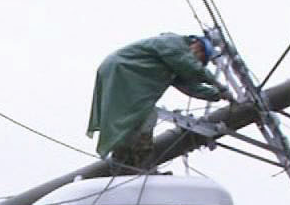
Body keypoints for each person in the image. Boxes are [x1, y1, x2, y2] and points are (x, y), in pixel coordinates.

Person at [86, 33, 226, 169]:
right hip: (124, 69)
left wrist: (217, 94)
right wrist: (218, 84)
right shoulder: (174, 42)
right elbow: (191, 67)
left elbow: (190, 86)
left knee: (135, 121)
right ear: (195, 44)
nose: (197, 61)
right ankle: (137, 161)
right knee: (142, 117)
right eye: (200, 57)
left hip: (125, 74)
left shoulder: (175, 62)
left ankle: (128, 158)